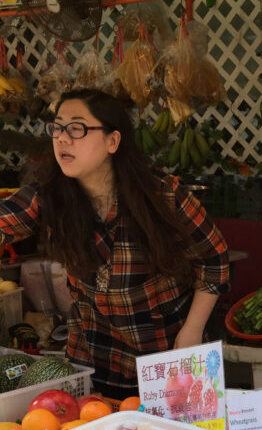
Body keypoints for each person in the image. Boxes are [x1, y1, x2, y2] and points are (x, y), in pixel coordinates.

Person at [0, 88, 230, 399]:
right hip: (94, 356)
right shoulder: (49, 195)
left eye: (77, 128)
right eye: (57, 127)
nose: (62, 138)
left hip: (167, 353)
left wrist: (191, 331)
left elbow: (214, 259)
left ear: (113, 141)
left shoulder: (162, 195)